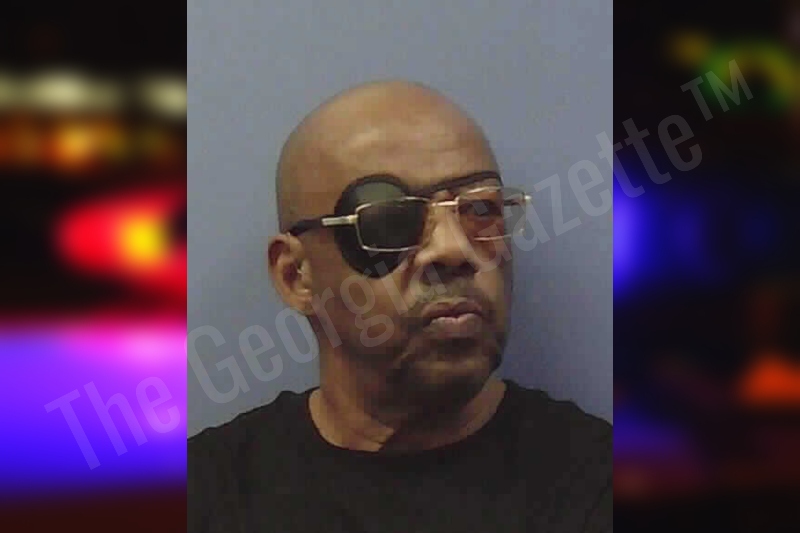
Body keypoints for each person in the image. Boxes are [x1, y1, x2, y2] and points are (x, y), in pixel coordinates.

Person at [188, 80, 612, 533]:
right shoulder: (207, 499)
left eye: (480, 211)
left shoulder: (596, 485)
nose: (453, 250)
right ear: (296, 275)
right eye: (388, 220)